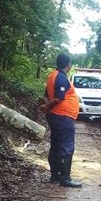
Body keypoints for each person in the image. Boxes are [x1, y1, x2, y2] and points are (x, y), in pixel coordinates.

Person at [39, 54, 82, 188]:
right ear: (68, 64)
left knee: (56, 145)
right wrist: (47, 107)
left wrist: (47, 108)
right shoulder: (61, 78)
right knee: (67, 147)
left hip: (56, 116)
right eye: (70, 64)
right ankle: (65, 178)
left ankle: (55, 175)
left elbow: (46, 96)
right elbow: (58, 98)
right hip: (63, 117)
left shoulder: (52, 76)